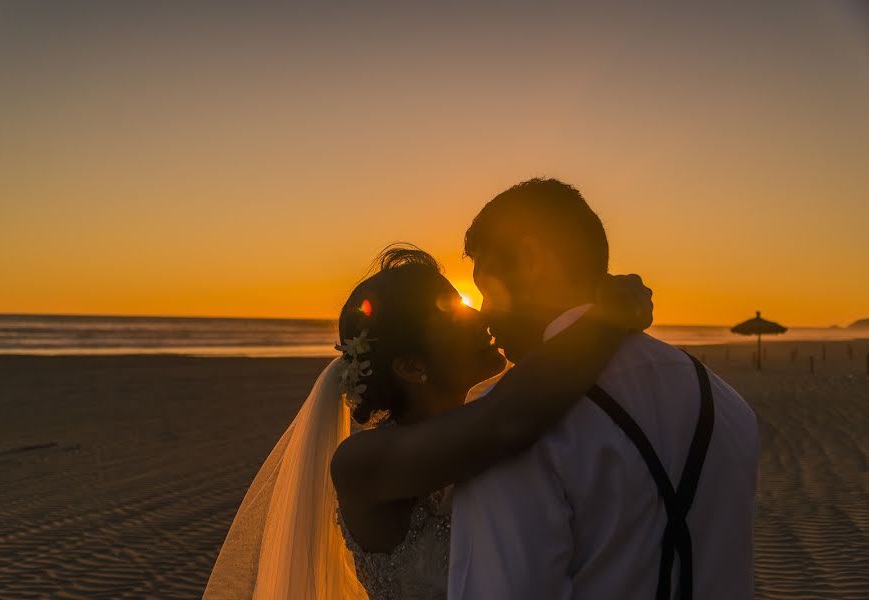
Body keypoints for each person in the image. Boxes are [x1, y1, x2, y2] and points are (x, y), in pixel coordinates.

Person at [203, 245, 653, 600]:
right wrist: (605, 317)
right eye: (450, 310)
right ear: (412, 367)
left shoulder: (486, 421)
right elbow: (508, 421)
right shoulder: (362, 463)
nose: (476, 314)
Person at [449, 178, 760, 600]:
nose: (484, 313)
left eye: (488, 288)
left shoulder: (508, 428)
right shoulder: (727, 402)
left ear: (531, 259)